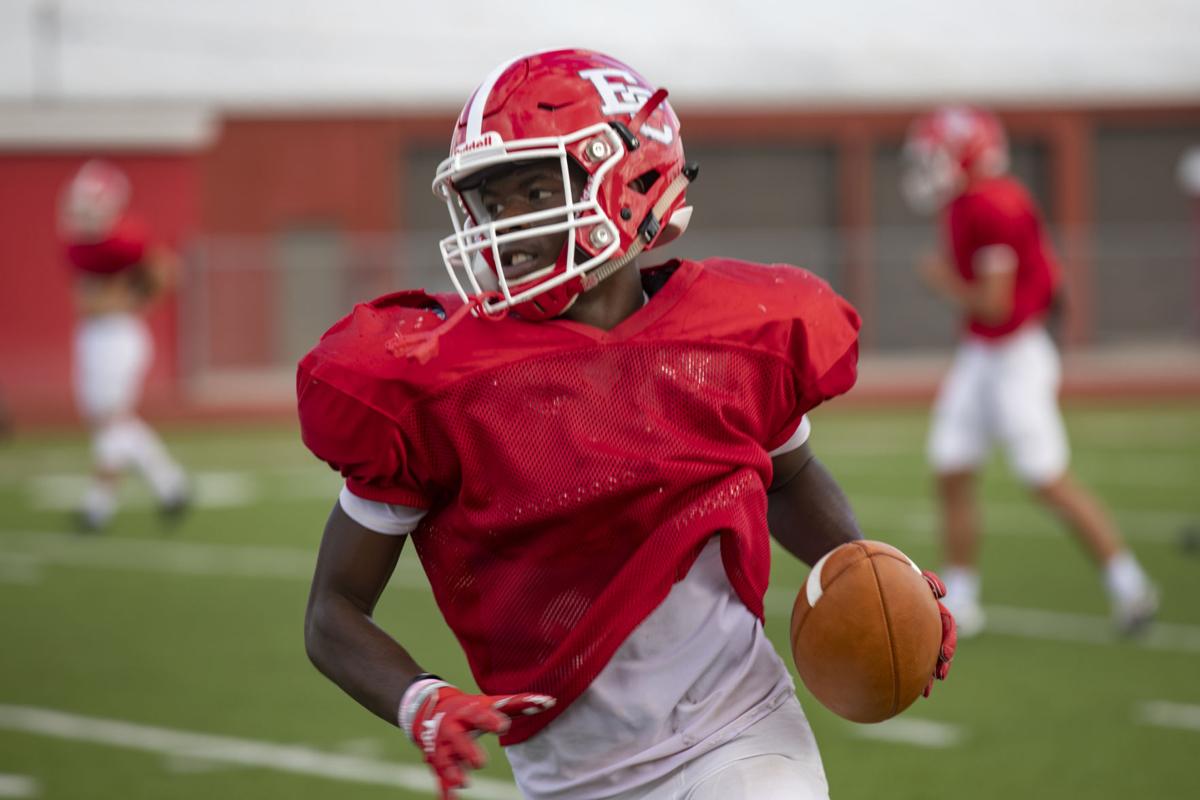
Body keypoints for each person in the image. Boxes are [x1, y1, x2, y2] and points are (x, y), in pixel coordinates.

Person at [299, 49, 956, 800]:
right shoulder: (433, 381)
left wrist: (870, 575)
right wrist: (421, 702)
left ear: (630, 184)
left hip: (738, 735)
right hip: (567, 780)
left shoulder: (727, 339)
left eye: (537, 188)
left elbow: (791, 475)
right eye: (494, 200)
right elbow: (333, 610)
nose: (509, 224)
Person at [901, 105, 1158, 637]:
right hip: (982, 353)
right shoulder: (967, 202)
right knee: (951, 465)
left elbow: (995, 305)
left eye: (938, 155)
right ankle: (962, 600)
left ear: (966, 156)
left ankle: (1130, 584)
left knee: (1044, 477)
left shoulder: (996, 205)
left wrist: (941, 281)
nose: (928, 166)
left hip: (1014, 353)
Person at [60, 159, 190, 532]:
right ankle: (171, 485)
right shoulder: (81, 245)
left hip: (118, 334)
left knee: (112, 420)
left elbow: (167, 271)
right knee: (108, 420)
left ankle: (97, 507)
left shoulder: (125, 242)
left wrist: (135, 301)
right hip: (92, 335)